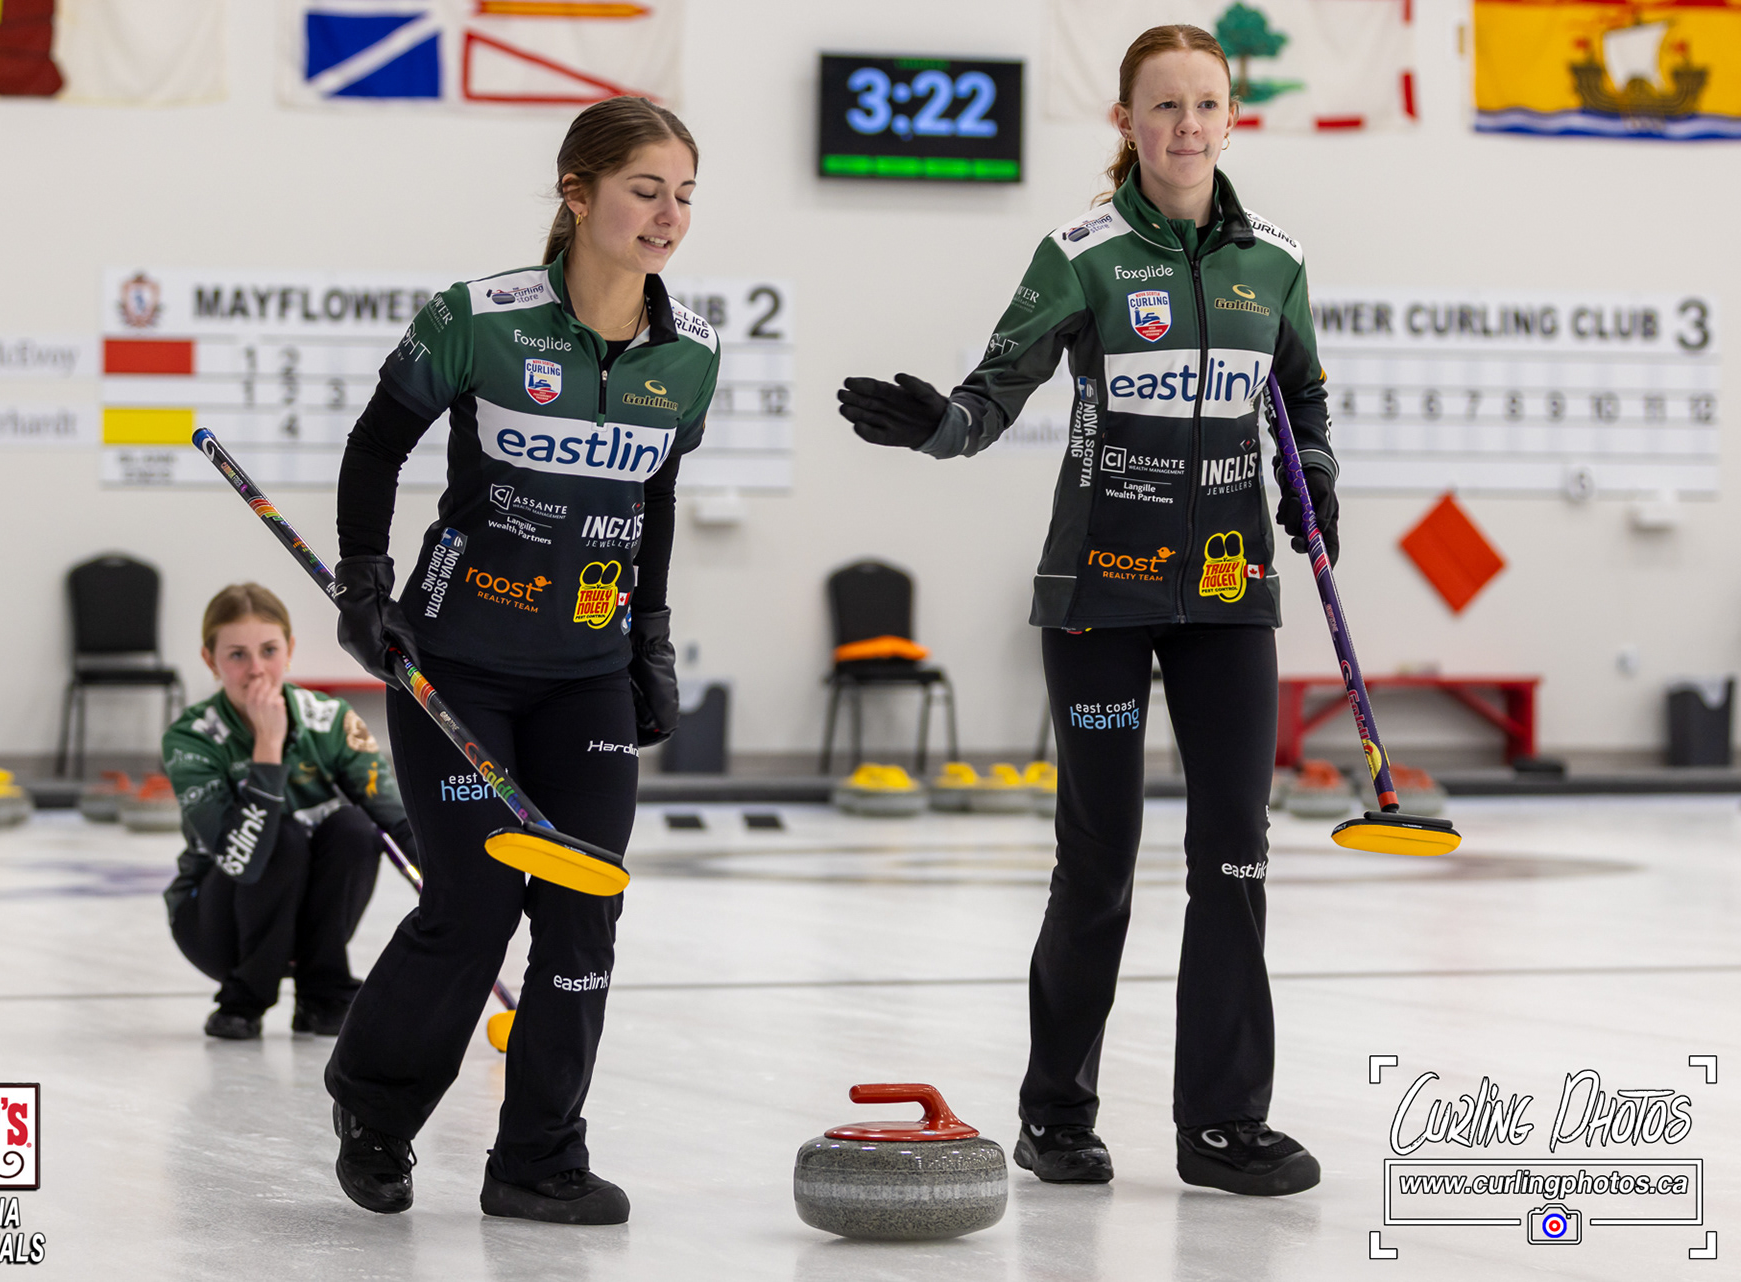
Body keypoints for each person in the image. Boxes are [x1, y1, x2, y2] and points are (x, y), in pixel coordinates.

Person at [837, 25, 1334, 1198]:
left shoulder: (1276, 261)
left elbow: (1301, 397)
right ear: (1126, 121)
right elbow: (994, 391)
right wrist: (940, 427)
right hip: (1099, 594)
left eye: (1204, 104)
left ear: (1231, 117)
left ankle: (1223, 1124)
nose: (1185, 126)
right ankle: (1056, 1113)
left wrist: (1313, 481)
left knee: (1236, 854)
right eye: (1163, 106)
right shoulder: (1081, 255)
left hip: (1230, 594)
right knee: (1099, 859)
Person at [322, 95, 716, 1226]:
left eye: (685, 195)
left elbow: (655, 502)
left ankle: (538, 1156)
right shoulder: (480, 319)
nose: (669, 215)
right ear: (577, 193)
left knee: (585, 909)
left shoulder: (689, 356)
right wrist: (364, 583)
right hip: (459, 661)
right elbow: (376, 444)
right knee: (476, 900)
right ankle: (376, 1111)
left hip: (586, 670)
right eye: (646, 190)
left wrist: (649, 638)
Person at [162, 583, 414, 1042]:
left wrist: (453, 886)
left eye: (269, 650)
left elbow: (396, 819)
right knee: (280, 835)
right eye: (237, 655)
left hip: (304, 922)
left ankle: (324, 993)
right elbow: (241, 861)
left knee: (355, 828)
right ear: (210, 660)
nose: (257, 669)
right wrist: (268, 747)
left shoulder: (333, 719)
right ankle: (244, 998)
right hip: (215, 927)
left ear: (290, 651)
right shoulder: (190, 737)